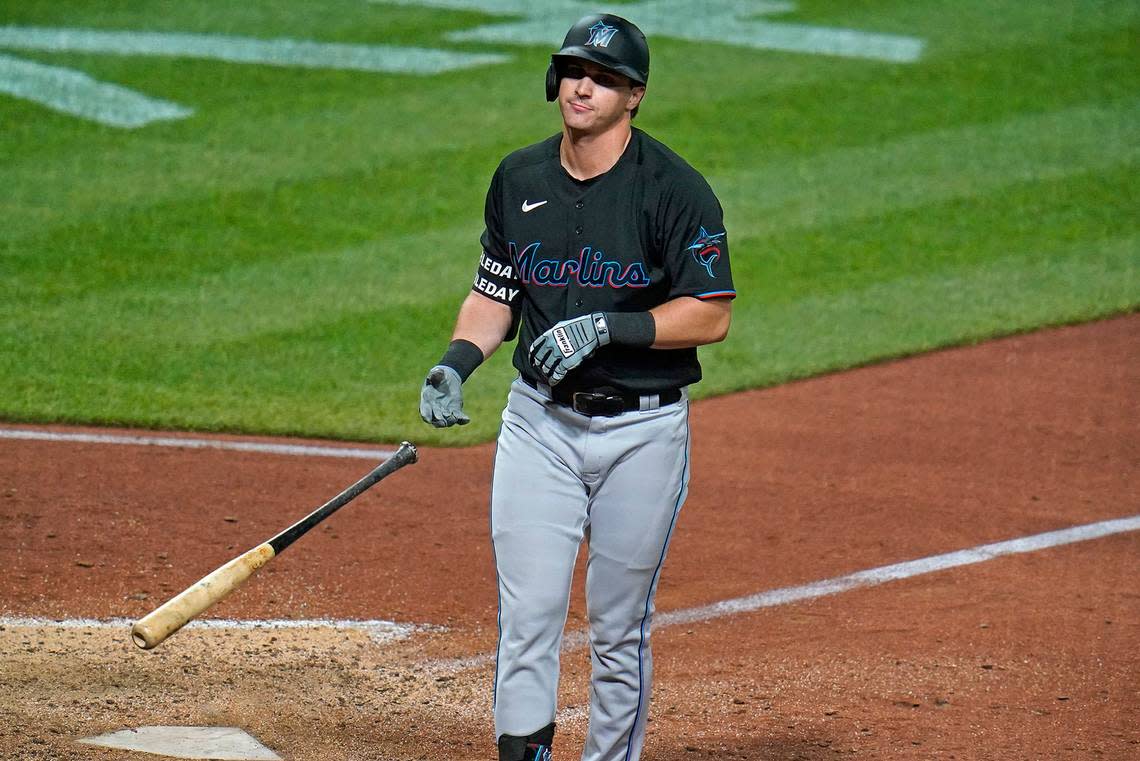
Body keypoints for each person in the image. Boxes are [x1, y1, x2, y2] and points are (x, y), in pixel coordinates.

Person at [419, 13, 735, 761]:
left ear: (636, 96)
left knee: (617, 626)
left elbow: (710, 313)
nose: (583, 85)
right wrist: (457, 361)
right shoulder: (519, 178)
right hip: (540, 425)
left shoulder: (674, 190)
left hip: (641, 433)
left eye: (604, 77)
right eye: (573, 71)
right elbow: (495, 292)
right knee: (528, 615)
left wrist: (607, 329)